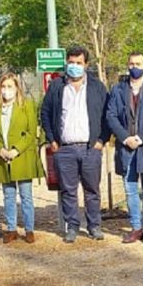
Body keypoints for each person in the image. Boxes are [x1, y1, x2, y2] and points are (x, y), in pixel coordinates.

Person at [41, 46, 110, 244]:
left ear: (86, 65)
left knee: (92, 190)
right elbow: (45, 113)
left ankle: (94, 225)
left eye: (79, 63)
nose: (74, 66)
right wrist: (52, 140)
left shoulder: (97, 87)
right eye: (71, 62)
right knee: (68, 191)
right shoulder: (56, 86)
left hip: (90, 149)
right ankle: (72, 226)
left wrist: (101, 140)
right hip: (65, 149)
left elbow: (108, 115)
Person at [107, 52, 143, 244]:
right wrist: (125, 138)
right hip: (126, 148)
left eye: (138, 63)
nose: (135, 67)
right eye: (131, 63)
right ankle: (135, 227)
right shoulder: (118, 90)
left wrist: (141, 138)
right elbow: (111, 116)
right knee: (130, 190)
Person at [0, 73, 44, 243]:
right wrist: (0, 149)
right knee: (8, 195)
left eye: (10, 87)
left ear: (17, 88)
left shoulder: (27, 105)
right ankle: (11, 228)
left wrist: (16, 150)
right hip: (2, 157)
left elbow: (31, 132)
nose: (6, 90)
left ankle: (29, 229)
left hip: (21, 157)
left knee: (26, 195)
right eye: (3, 87)